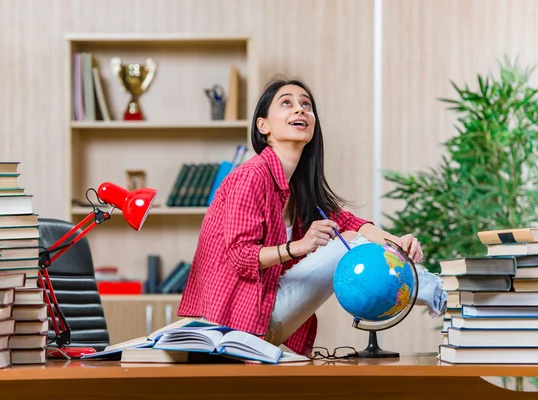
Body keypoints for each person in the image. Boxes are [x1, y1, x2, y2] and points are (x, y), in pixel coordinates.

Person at [177, 76, 426, 357]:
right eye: (287, 103)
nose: (300, 110)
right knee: (351, 242)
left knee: (353, 236)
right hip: (236, 320)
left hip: (264, 313)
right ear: (264, 126)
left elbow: (350, 223)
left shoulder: (299, 187)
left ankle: (438, 292)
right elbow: (240, 256)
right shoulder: (250, 177)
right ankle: (441, 294)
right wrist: (299, 246)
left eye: (306, 105)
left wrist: (398, 242)